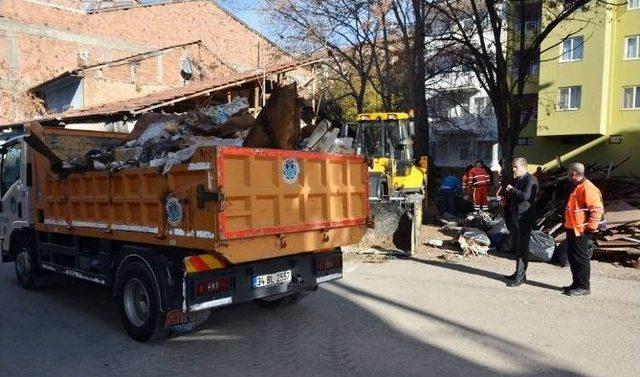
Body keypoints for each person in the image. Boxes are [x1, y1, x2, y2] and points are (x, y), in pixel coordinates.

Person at [563, 162, 604, 296]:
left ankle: (584, 286)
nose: (568, 175)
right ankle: (576, 283)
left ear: (574, 174)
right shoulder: (579, 186)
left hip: (581, 230)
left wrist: (590, 228)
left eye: (569, 172)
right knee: (573, 257)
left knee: (580, 258)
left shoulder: (587, 187)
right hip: (573, 228)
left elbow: (597, 209)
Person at [504, 157, 538, 287]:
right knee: (517, 247)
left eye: (515, 167)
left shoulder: (531, 179)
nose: (513, 169)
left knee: (522, 248)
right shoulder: (517, 180)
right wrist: (506, 200)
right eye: (513, 166)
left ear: (524, 167)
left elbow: (525, 196)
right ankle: (519, 273)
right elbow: (514, 196)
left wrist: (511, 190)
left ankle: (519, 277)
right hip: (515, 217)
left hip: (524, 219)